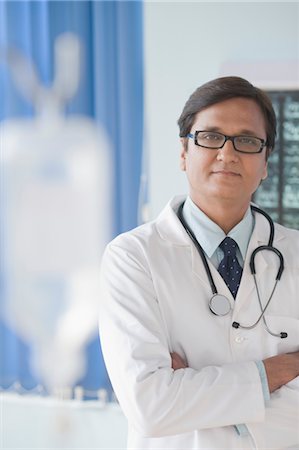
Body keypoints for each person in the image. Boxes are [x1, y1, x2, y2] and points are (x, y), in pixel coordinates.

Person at [99, 76, 299, 450]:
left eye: (247, 140)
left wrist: (192, 391)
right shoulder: (133, 258)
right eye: (210, 136)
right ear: (183, 152)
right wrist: (279, 370)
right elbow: (151, 407)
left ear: (266, 161)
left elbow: (169, 404)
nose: (227, 153)